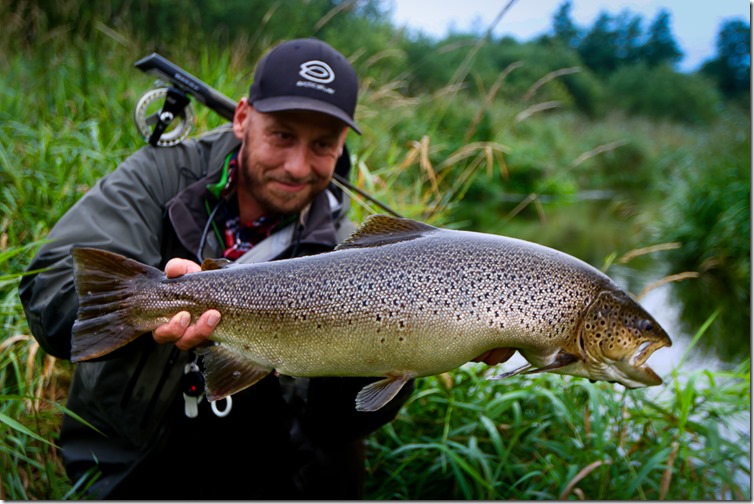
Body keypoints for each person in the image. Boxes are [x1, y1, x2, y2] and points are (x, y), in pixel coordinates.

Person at [19, 38, 415, 499]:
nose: (297, 166)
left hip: (277, 461)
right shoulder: (161, 174)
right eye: (282, 135)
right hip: (142, 455)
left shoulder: (356, 249)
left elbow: (334, 426)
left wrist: (401, 350)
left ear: (342, 145)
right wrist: (145, 310)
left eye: (323, 145)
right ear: (243, 118)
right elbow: (49, 286)